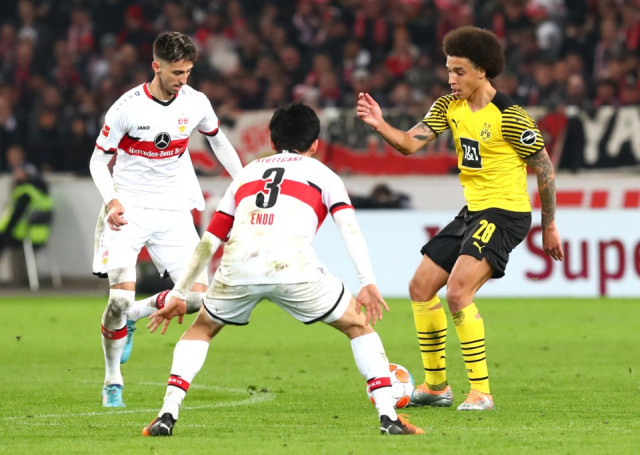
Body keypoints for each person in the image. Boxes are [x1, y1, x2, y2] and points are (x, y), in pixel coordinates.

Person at [141, 103, 423, 437]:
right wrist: (367, 282)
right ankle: (388, 418)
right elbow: (349, 229)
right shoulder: (324, 175)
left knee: (201, 329)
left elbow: (210, 239)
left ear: (272, 142)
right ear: (315, 144)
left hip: (239, 266)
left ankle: (167, 414)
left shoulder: (247, 173)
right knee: (359, 326)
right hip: (294, 266)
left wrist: (178, 293)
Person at [356, 26, 564, 411]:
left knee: (457, 292)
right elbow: (409, 143)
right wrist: (380, 124)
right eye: (449, 70)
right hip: (472, 212)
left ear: (482, 71)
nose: (451, 79)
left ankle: (481, 392)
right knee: (420, 287)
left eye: (460, 71)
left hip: (505, 213)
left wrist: (548, 224)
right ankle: (436, 387)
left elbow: (545, 168)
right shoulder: (447, 107)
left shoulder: (510, 117)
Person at [89, 31, 243, 408]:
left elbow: (218, 141)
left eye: (188, 71)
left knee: (197, 300)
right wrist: (112, 201)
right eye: (176, 72)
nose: (183, 80)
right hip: (129, 211)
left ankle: (139, 313)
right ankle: (113, 381)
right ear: (156, 66)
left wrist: (243, 185)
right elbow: (97, 160)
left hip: (174, 211)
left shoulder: (195, 101)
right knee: (118, 301)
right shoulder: (126, 108)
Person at [0, 144, 52, 284]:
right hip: (41, 233)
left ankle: (18, 279)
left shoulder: (26, 192)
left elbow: (16, 216)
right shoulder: (38, 192)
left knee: (4, 238)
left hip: (27, 233)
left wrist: (6, 230)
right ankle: (20, 277)